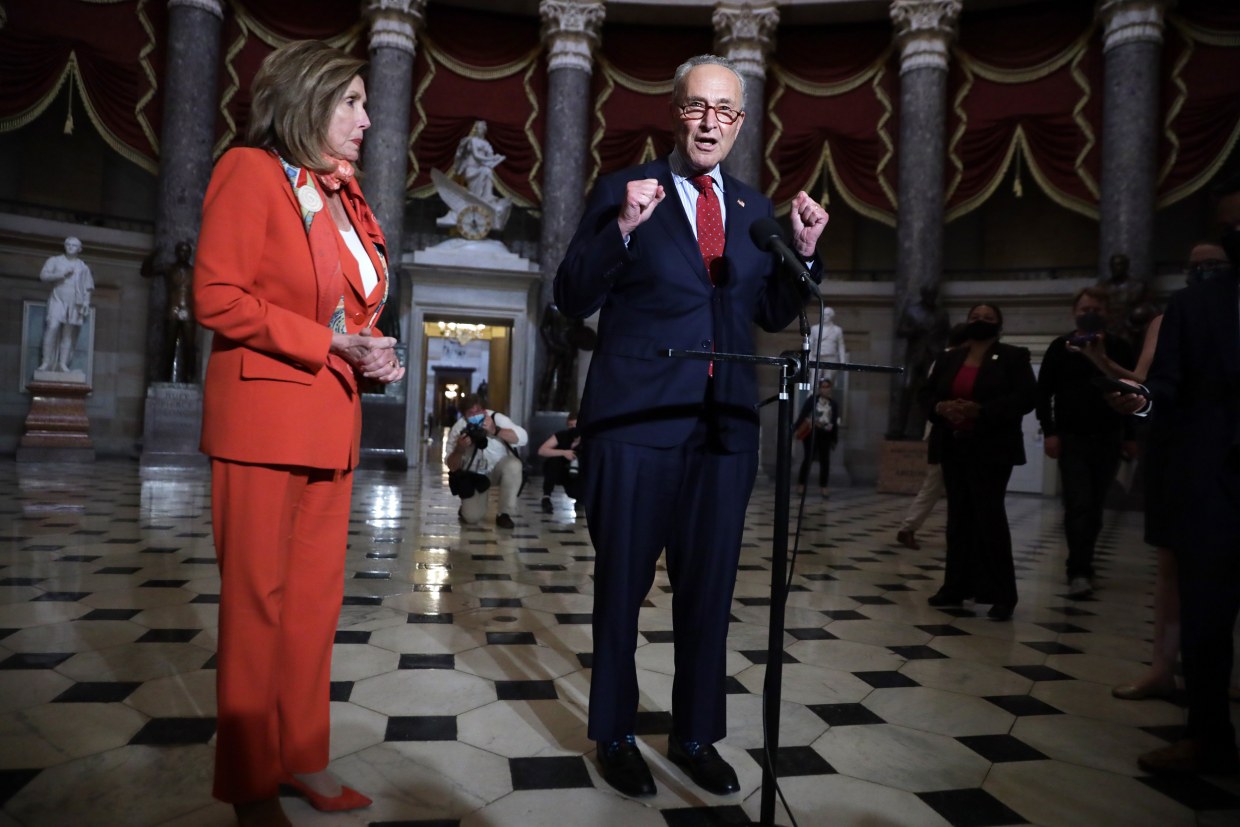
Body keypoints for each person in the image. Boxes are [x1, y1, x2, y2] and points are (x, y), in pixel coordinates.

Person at [554, 54, 827, 799]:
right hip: (635, 424)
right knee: (622, 587)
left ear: (740, 124)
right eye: (698, 107)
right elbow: (572, 294)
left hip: (725, 430)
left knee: (709, 590)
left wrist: (804, 252)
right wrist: (622, 228)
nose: (711, 122)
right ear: (676, 112)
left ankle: (696, 733)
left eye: (726, 111)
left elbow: (769, 311)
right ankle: (614, 732)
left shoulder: (753, 209)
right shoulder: (624, 189)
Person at [193, 41, 404, 827]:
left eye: (364, 102)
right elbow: (216, 296)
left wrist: (370, 352)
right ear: (306, 100)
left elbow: (345, 310)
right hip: (262, 423)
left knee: (314, 608)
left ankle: (302, 756)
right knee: (257, 609)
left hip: (331, 424)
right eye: (351, 101)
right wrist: (330, 343)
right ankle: (251, 785)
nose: (367, 118)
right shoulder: (250, 171)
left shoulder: (345, 197)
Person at [1107, 184, 1240, 775]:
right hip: (1218, 486)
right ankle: (1207, 735)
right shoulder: (1193, 307)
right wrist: (1138, 404)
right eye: (1230, 227)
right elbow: (1164, 387)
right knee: (1207, 617)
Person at [922, 303, 1036, 621]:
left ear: (999, 324)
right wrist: (941, 407)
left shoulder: (1013, 356)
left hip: (992, 449)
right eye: (975, 317)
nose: (980, 321)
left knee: (990, 519)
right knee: (958, 519)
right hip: (953, 446)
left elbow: (1026, 398)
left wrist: (981, 411)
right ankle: (956, 587)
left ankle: (1002, 595)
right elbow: (925, 394)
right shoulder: (949, 357)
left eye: (988, 318)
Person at [1035, 286, 1137, 598]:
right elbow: (1043, 393)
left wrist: (1131, 436)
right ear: (1074, 313)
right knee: (1078, 502)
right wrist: (1049, 432)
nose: (1090, 314)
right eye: (1085, 310)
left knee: (1094, 505)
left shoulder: (1120, 347)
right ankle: (1077, 570)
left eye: (1097, 310)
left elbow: (1133, 391)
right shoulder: (1059, 347)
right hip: (1071, 437)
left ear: (1107, 313)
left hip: (1108, 436)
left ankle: (1085, 562)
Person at [895, 322, 968, 550]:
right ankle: (908, 528)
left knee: (938, 486)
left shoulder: (950, 360)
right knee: (934, 485)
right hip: (942, 432)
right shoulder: (947, 361)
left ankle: (910, 528)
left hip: (947, 433)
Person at [445, 393, 528, 529]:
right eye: (470, 413)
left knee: (514, 465)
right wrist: (459, 449)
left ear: (484, 411)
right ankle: (467, 507)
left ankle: (504, 513)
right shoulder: (458, 429)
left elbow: (523, 438)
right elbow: (451, 466)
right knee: (471, 518)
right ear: (464, 415)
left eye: (478, 411)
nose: (475, 416)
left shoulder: (496, 418)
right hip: (475, 476)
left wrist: (495, 430)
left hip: (498, 469)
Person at [891, 284, 951, 438]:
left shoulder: (942, 313)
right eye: (929, 295)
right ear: (924, 295)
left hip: (933, 356)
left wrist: (942, 352)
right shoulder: (912, 310)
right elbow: (900, 331)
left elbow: (947, 335)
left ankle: (928, 431)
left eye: (934, 295)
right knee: (906, 389)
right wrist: (914, 330)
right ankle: (898, 429)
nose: (932, 298)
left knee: (932, 393)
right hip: (914, 356)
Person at [141, 240, 198, 383]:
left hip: (188, 311)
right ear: (177, 253)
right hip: (172, 310)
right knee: (168, 346)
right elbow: (145, 272)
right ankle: (165, 377)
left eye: (187, 251)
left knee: (189, 347)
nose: (184, 254)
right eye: (181, 251)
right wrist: (152, 255)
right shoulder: (169, 268)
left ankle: (189, 378)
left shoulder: (195, 272)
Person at [37, 236, 94, 374]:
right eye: (68, 244)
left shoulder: (83, 266)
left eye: (74, 245)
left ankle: (63, 364)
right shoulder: (55, 260)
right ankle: (46, 362)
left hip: (75, 302)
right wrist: (61, 274)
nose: (70, 247)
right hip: (57, 299)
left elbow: (88, 287)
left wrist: (86, 302)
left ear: (79, 249)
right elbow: (43, 276)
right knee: (52, 327)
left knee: (67, 334)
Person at [794, 378, 839, 498]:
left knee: (825, 461)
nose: (825, 389)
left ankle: (824, 487)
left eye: (827, 387)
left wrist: (834, 438)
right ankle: (801, 485)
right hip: (811, 433)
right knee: (808, 459)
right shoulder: (812, 400)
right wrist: (794, 429)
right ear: (819, 389)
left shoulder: (833, 404)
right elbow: (803, 414)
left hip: (825, 435)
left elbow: (834, 422)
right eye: (823, 387)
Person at [538, 411, 582, 514]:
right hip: (561, 471)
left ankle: (581, 499)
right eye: (570, 425)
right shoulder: (562, 435)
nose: (573, 428)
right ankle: (546, 497)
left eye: (576, 425)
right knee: (553, 461)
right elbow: (541, 450)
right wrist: (563, 452)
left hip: (579, 475)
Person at [453, 120, 505, 203]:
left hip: (481, 169)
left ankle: (487, 196)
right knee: (473, 194)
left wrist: (497, 158)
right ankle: (475, 201)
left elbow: (490, 156)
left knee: (487, 171)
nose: (480, 130)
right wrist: (491, 159)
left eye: (482, 128)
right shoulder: (472, 140)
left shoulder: (486, 144)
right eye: (479, 128)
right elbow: (477, 156)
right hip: (471, 169)